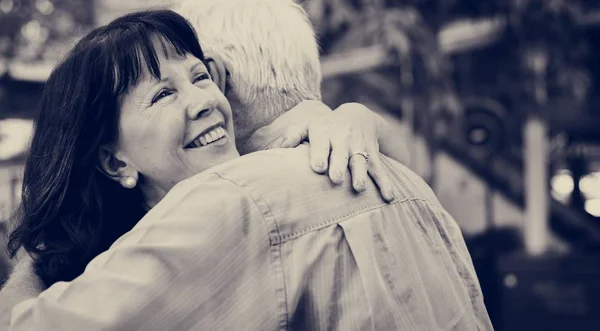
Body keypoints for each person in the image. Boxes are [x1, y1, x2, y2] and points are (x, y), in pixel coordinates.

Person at [7, 6, 493, 331]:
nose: (200, 100)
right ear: (114, 160)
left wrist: (36, 249)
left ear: (219, 75)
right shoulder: (404, 180)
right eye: (162, 94)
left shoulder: (233, 200)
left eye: (198, 76)